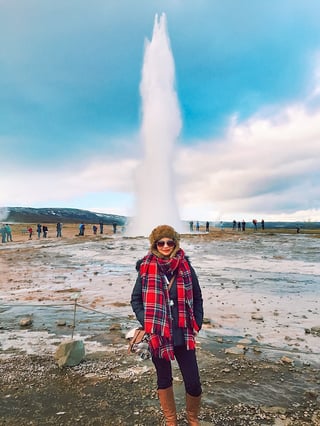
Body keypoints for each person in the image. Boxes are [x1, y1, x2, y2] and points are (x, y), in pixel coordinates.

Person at [131, 225, 203, 425]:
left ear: (175, 244)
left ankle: (192, 418)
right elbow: (135, 299)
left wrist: (197, 322)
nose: (165, 246)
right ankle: (171, 420)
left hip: (182, 332)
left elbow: (197, 296)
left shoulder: (186, 267)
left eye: (169, 242)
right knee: (164, 380)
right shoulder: (145, 267)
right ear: (154, 244)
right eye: (160, 242)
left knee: (193, 382)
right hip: (158, 335)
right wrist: (148, 322)